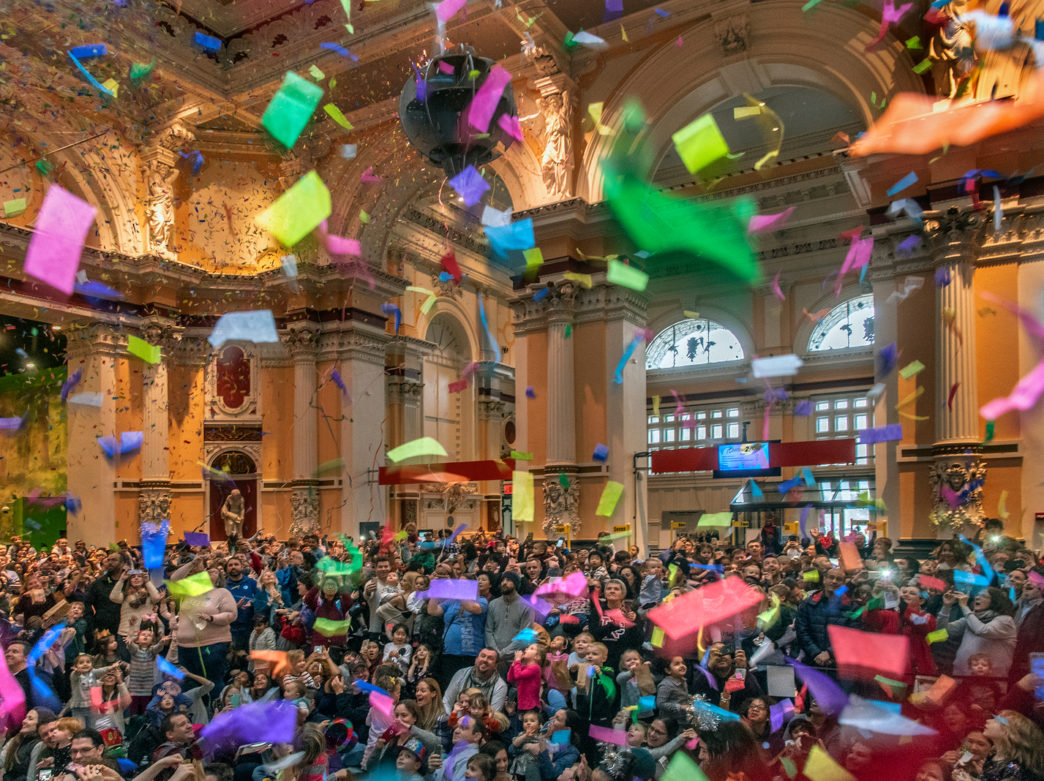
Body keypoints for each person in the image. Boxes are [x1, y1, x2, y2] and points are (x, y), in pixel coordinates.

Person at [937, 587, 1018, 677]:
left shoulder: (1005, 621)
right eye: (977, 595)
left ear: (995, 601)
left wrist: (964, 607)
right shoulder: (971, 618)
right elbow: (943, 631)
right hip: (962, 674)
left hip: (991, 679)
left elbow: (982, 630)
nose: (977, 598)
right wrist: (946, 607)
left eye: (983, 596)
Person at [442, 648, 508, 715]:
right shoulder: (461, 674)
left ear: (495, 666)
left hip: (483, 723)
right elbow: (447, 701)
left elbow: (494, 714)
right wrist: (449, 719)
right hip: (457, 721)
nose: (485, 660)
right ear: (476, 660)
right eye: (482, 656)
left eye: (490, 658)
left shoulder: (500, 685)